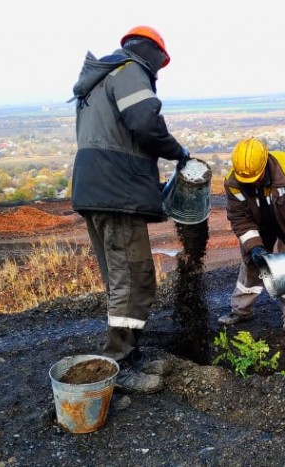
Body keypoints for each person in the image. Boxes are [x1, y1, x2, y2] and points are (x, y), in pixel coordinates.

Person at [69, 26, 189, 394]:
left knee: (128, 278)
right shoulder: (131, 70)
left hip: (98, 189)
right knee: (133, 280)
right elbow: (145, 123)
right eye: (160, 64)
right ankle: (119, 365)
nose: (158, 72)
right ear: (151, 53)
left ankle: (129, 352)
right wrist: (177, 153)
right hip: (116, 193)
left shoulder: (99, 82)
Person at [219, 138, 285, 331]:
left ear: (265, 162)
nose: (253, 183)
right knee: (252, 264)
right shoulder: (234, 182)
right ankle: (241, 311)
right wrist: (254, 246)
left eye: (256, 178)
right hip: (259, 225)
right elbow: (239, 217)